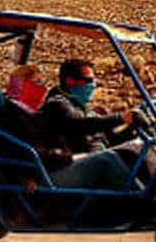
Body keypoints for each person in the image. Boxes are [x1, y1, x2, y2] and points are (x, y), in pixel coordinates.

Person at [38, 58, 141, 190]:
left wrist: (130, 129)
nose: (93, 84)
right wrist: (120, 118)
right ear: (70, 81)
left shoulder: (80, 106)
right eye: (88, 80)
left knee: (138, 148)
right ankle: (145, 204)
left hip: (86, 158)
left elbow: (104, 131)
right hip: (63, 167)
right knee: (107, 159)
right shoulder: (57, 103)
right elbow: (80, 125)